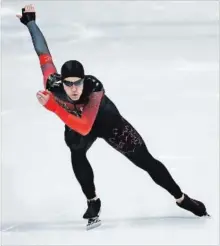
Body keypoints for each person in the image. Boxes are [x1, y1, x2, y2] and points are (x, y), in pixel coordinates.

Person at [16, 4, 209, 223]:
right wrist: (31, 22)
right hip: (74, 119)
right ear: (62, 83)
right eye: (68, 84)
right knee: (76, 151)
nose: (73, 89)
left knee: (146, 161)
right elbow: (43, 54)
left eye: (77, 83)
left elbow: (85, 126)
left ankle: (181, 198)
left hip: (108, 123)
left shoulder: (95, 87)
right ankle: (92, 201)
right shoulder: (53, 84)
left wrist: (53, 106)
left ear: (84, 79)